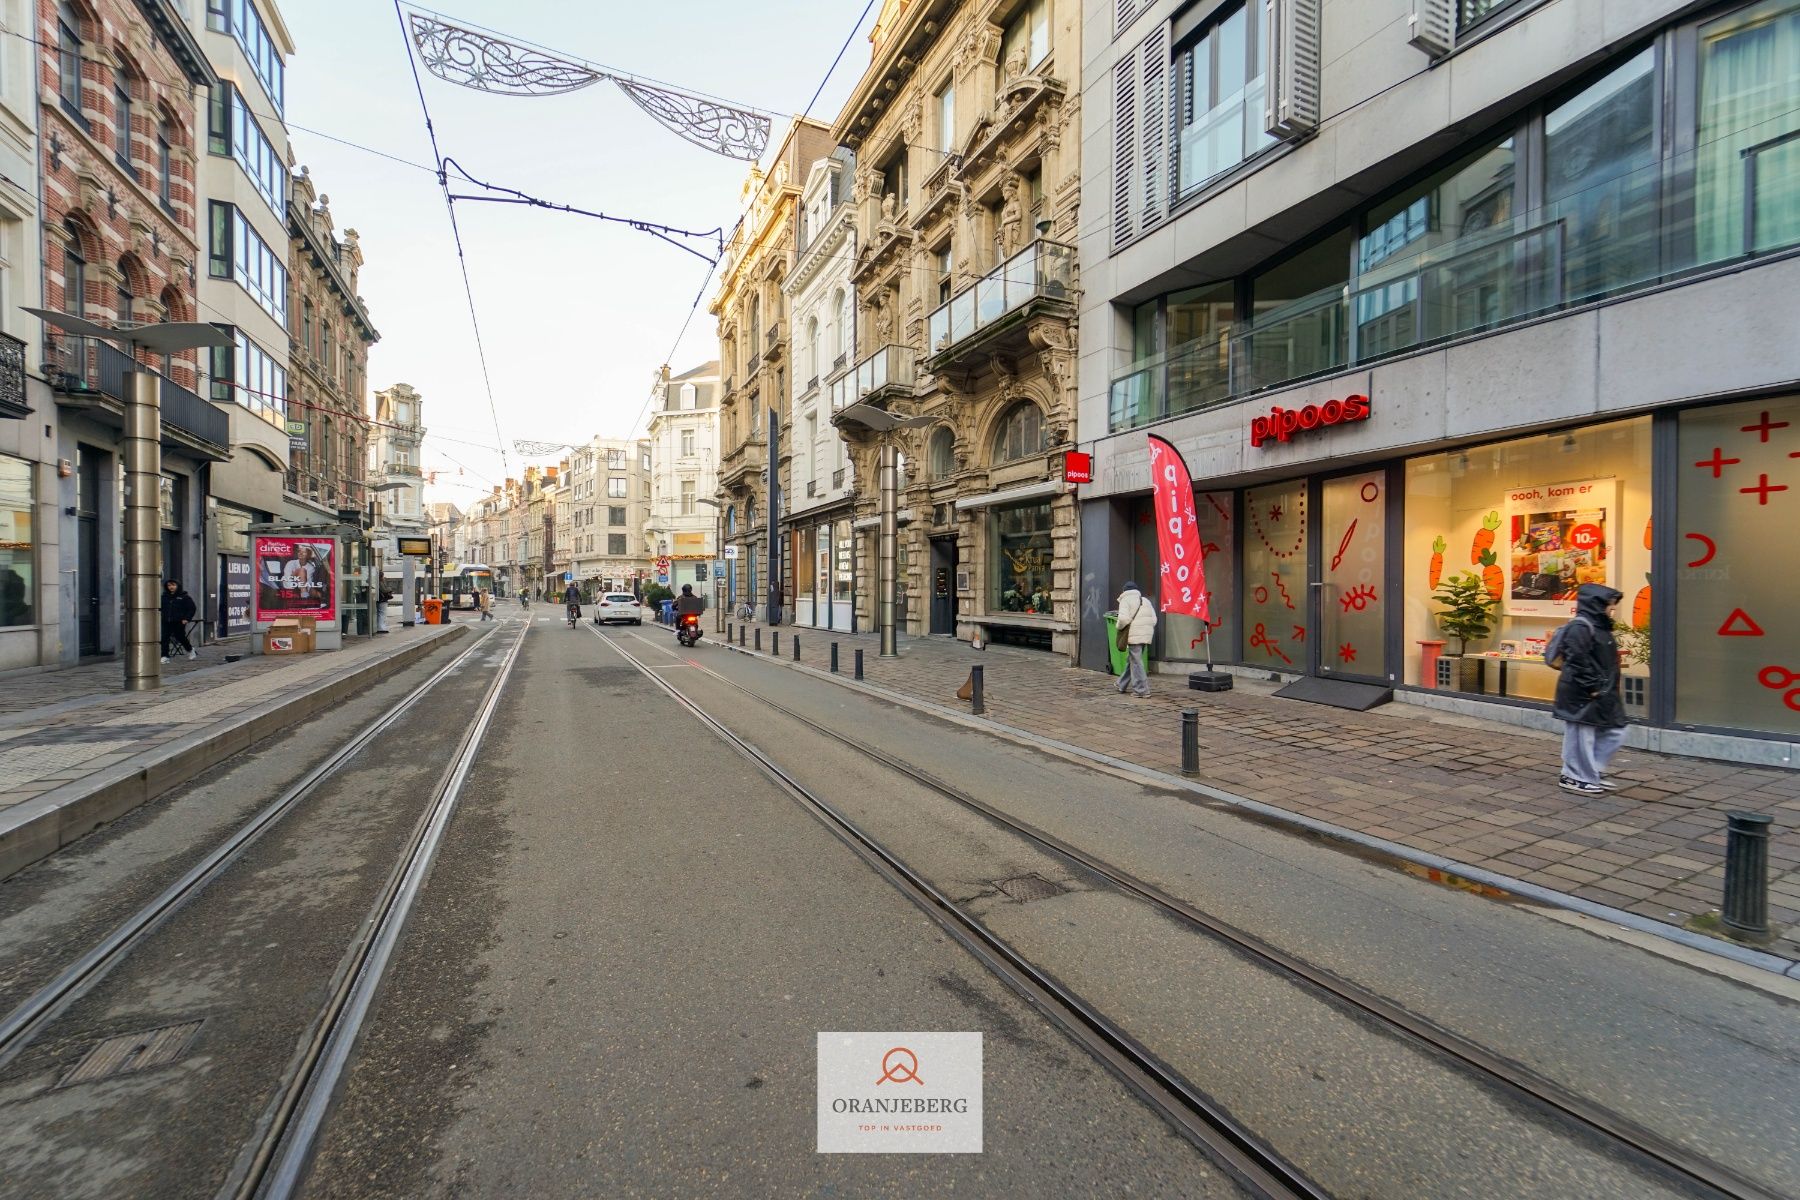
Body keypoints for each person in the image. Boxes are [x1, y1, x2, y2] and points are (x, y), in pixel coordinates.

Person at [1554, 583, 1628, 796]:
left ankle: (1591, 770)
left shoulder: (1600, 626)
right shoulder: (1581, 626)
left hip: (1600, 690)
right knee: (1581, 736)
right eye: (1609, 604)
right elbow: (1577, 660)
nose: (1612, 608)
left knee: (1615, 730)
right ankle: (1574, 776)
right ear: (1596, 604)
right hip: (1582, 692)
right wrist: (1593, 687)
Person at [1114, 580, 1157, 699]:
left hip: (1134, 635)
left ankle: (1141, 690)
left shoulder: (1125, 600)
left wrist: (1118, 627)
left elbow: (1123, 619)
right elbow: (1154, 620)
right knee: (1132, 659)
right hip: (1146, 635)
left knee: (1136, 662)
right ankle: (1121, 684)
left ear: (1124, 591)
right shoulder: (1145, 600)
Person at [160, 579, 197, 663]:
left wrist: (187, 618)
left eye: (173, 585)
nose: (171, 587)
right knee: (164, 638)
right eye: (169, 585)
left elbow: (192, 608)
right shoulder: (164, 597)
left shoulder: (184, 597)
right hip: (166, 620)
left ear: (177, 586)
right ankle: (165, 656)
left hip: (179, 621)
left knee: (180, 637)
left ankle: (190, 649)